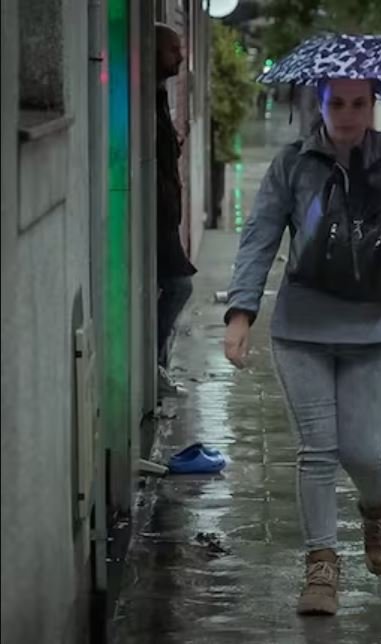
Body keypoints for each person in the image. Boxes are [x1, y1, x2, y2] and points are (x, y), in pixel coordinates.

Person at [223, 77, 381, 617]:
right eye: (336, 103)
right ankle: (321, 565)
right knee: (317, 451)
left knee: (363, 451)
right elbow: (260, 234)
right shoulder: (294, 163)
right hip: (302, 328)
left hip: (373, 327)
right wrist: (240, 312)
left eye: (359, 104)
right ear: (318, 105)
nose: (347, 114)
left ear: (372, 107)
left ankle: (379, 509)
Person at [155, 23, 196, 396]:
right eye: (173, 50)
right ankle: (153, 364)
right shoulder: (143, 100)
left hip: (165, 214)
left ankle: (158, 367)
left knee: (170, 287)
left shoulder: (157, 97)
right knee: (179, 286)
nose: (181, 57)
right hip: (153, 218)